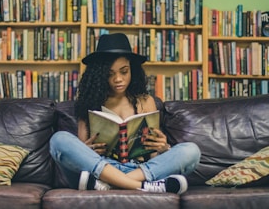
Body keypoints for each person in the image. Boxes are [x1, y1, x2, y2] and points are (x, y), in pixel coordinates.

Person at [49, 33, 201, 194]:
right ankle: (143, 186)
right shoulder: (88, 103)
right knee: (58, 140)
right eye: (110, 74)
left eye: (124, 71)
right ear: (100, 75)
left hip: (139, 169)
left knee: (191, 151)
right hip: (100, 168)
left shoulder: (145, 101)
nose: (118, 79)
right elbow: (81, 156)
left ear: (132, 71)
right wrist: (86, 149)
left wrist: (163, 148)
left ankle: (111, 184)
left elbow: (153, 156)